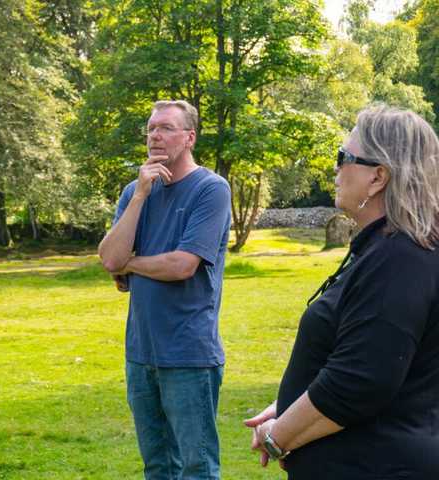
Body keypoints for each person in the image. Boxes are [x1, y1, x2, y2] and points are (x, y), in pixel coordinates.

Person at [244, 105, 439, 479]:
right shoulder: (387, 249)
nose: (335, 169)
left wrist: (280, 435)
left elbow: (359, 382)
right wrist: (292, 407)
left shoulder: (400, 257)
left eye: (343, 157)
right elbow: (362, 350)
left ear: (378, 177)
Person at [99, 100, 232, 479]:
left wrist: (132, 265)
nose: (155, 135)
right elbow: (110, 257)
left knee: (197, 467)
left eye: (166, 128)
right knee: (157, 467)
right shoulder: (134, 192)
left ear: (189, 137)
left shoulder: (211, 189)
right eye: (151, 128)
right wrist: (140, 194)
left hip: (189, 355)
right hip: (140, 354)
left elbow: (182, 265)